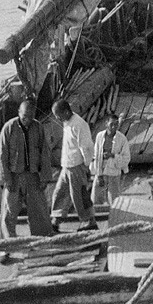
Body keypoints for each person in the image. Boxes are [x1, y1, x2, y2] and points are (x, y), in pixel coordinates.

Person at [0, 98, 53, 241]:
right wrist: (6, 179)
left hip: (33, 175)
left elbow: (44, 153)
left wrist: (45, 177)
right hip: (14, 176)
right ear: (19, 113)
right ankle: (7, 242)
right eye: (24, 117)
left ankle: (41, 238)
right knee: (9, 211)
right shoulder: (9, 128)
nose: (27, 120)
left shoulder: (38, 127)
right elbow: (1, 155)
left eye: (31, 117)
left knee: (39, 209)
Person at [50, 99, 97, 231]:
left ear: (66, 112)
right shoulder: (66, 122)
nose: (57, 118)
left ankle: (88, 220)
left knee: (79, 196)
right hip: (67, 165)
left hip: (77, 166)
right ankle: (56, 219)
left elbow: (86, 147)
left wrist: (86, 166)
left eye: (58, 115)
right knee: (60, 192)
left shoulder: (79, 124)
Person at [90, 113, 131, 207]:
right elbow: (95, 155)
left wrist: (113, 155)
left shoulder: (122, 139)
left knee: (114, 201)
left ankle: (114, 217)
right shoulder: (100, 136)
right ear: (106, 124)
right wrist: (98, 174)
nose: (114, 126)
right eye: (111, 124)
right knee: (95, 199)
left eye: (116, 124)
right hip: (101, 171)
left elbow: (126, 158)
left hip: (114, 172)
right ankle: (96, 219)